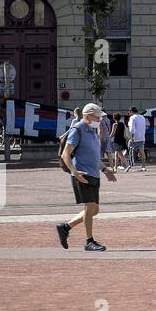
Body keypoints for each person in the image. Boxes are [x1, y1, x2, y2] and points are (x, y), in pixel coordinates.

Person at [54, 102, 116, 251]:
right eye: (97, 117)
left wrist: (105, 169)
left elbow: (93, 156)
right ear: (87, 116)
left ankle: (65, 228)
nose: (100, 120)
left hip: (94, 174)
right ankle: (89, 241)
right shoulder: (78, 129)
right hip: (82, 174)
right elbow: (65, 154)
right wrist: (74, 172)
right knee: (90, 207)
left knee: (95, 210)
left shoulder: (93, 131)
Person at [127, 107, 148, 172]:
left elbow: (132, 129)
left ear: (131, 111)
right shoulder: (142, 117)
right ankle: (143, 166)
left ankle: (130, 165)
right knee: (142, 152)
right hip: (141, 137)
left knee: (130, 150)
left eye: (129, 112)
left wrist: (132, 137)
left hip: (135, 137)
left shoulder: (132, 118)